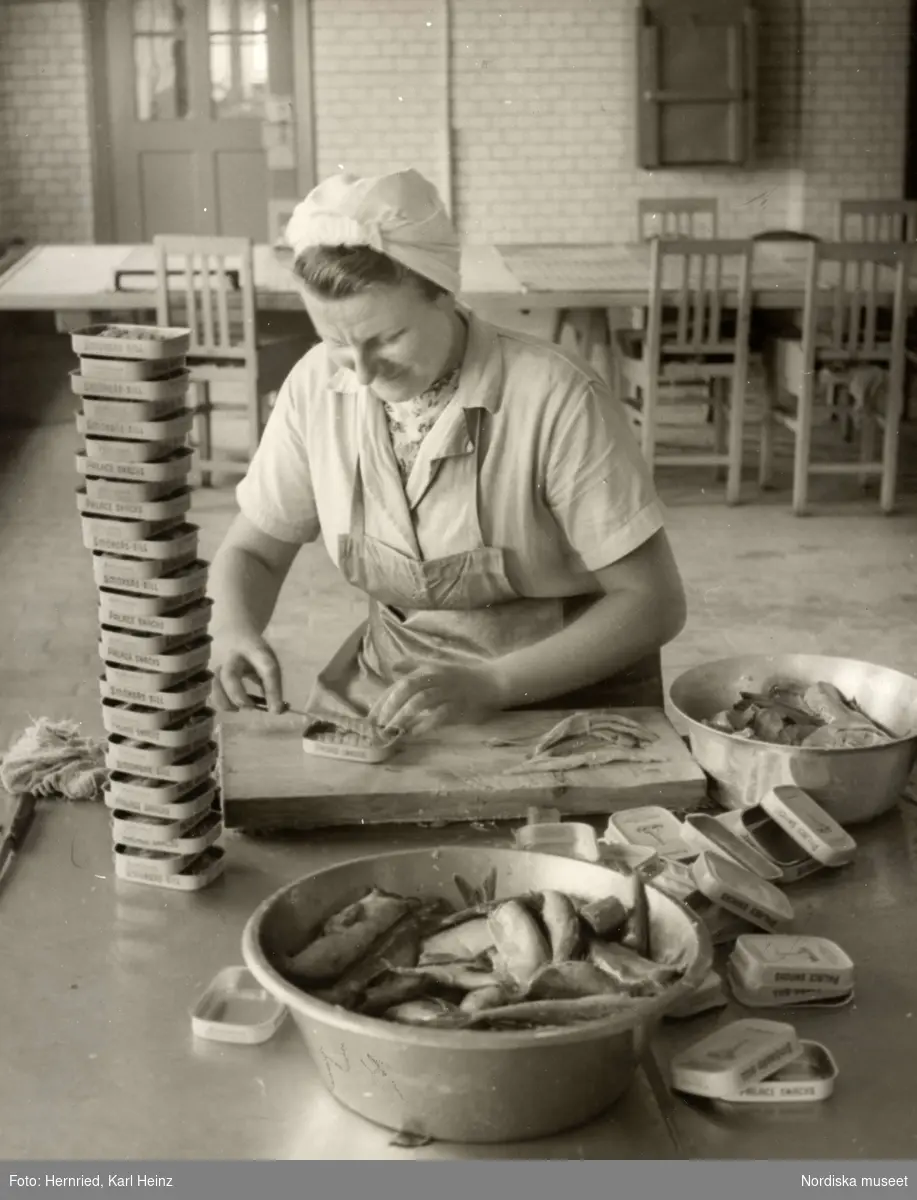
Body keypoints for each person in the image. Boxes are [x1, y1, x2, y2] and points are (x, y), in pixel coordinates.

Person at [208, 168, 687, 739]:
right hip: (396, 691)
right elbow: (253, 552)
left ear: (445, 295)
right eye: (336, 342)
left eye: (386, 339)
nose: (361, 373)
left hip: (566, 698)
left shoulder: (554, 395)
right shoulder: (314, 388)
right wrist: (232, 628)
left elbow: (652, 602)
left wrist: (495, 684)